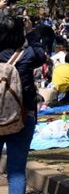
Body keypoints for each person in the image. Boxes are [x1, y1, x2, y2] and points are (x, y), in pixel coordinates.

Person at [0, 12, 47, 194]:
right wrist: (31, 31)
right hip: (22, 116)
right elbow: (42, 55)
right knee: (17, 170)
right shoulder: (26, 56)